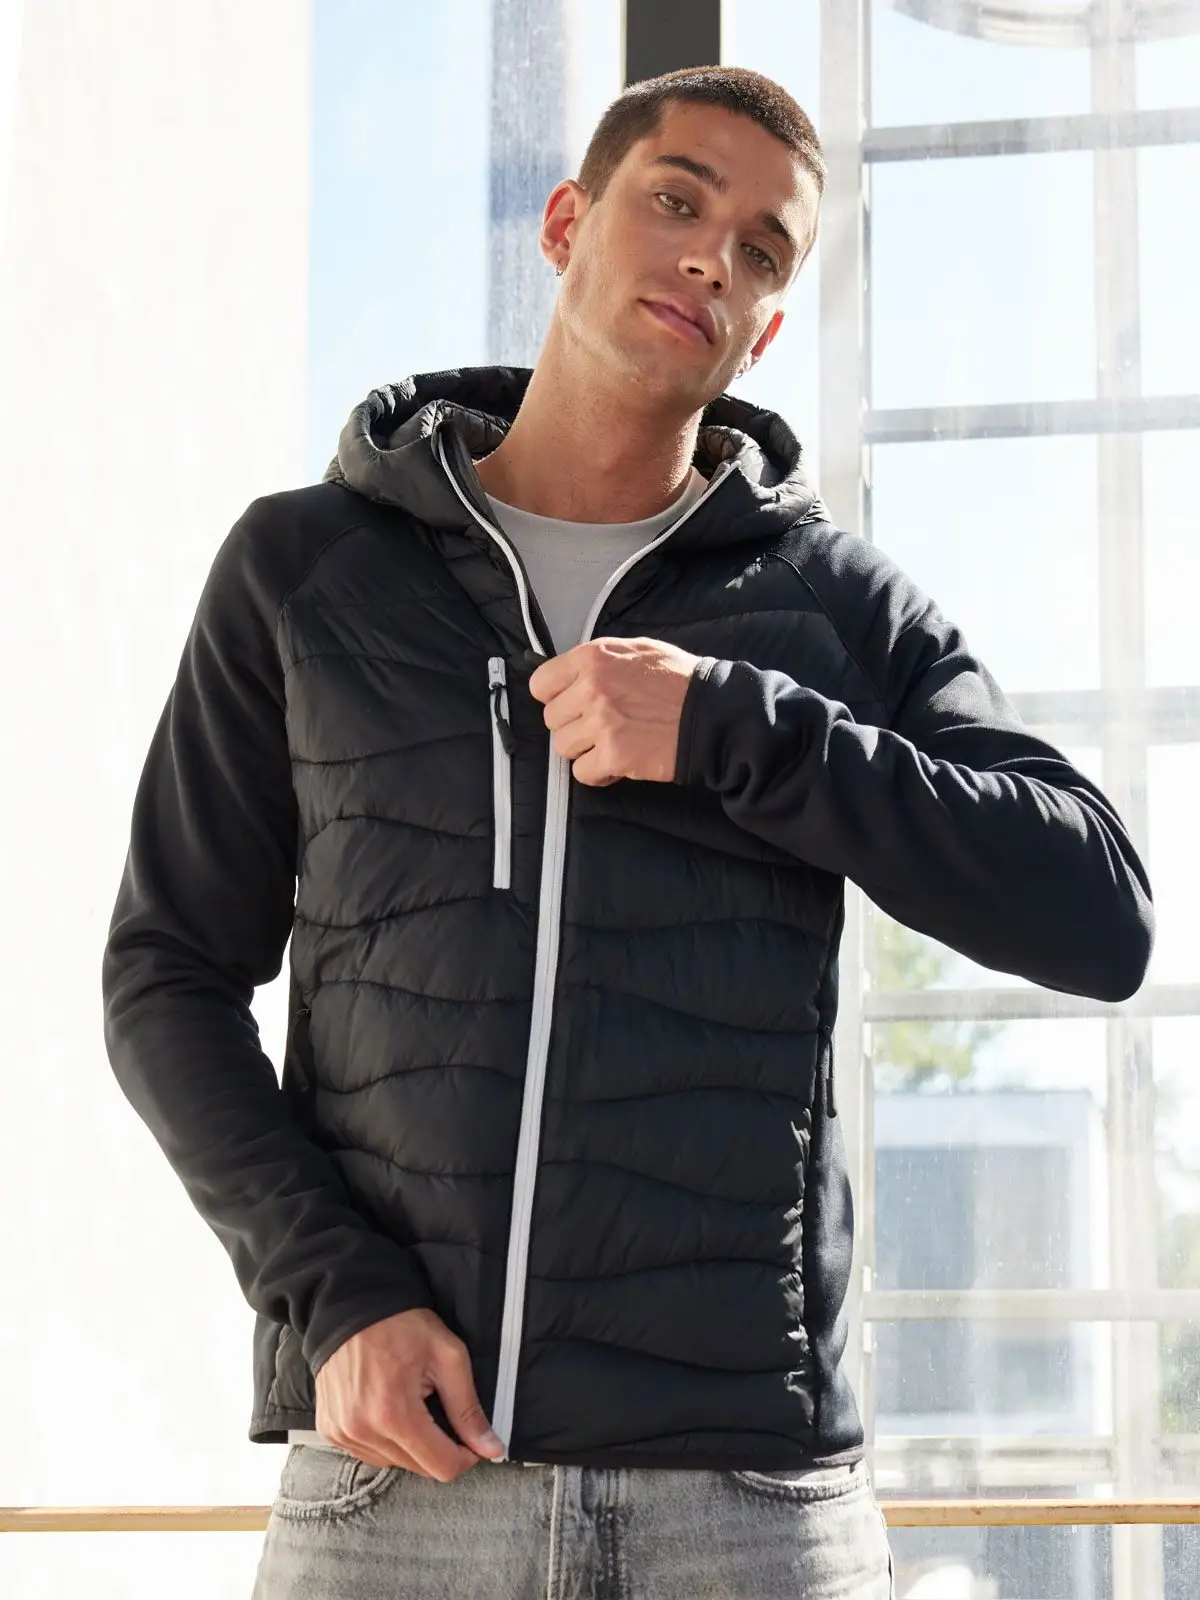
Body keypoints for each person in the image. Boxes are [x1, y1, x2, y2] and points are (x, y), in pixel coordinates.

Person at [101, 65, 1153, 1600]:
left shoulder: (832, 610)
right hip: (400, 1485)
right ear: (565, 223)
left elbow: (1099, 908)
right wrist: (331, 1294)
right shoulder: (307, 569)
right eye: (676, 201)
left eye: (763, 250)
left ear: (764, 330)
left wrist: (738, 728)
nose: (713, 258)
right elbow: (165, 977)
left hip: (747, 1506)